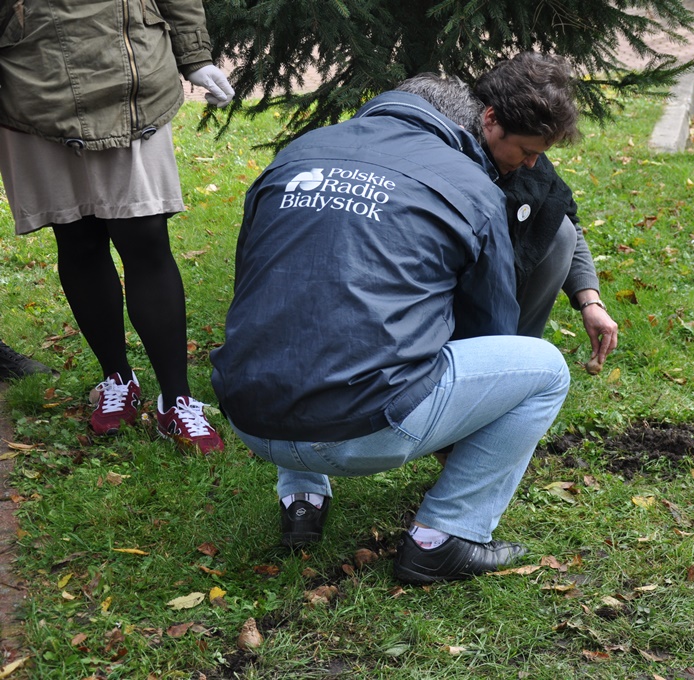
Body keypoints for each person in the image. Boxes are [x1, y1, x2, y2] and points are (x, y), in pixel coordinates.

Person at [210, 75, 571, 584]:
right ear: (469, 122)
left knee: (296, 310)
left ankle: (301, 499)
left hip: (250, 417)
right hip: (360, 432)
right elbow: (490, 330)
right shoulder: (471, 186)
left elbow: (255, 284)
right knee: (546, 369)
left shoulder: (297, 155)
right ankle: (445, 537)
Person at [0, 1, 232, 453]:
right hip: (34, 81)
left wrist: (195, 57)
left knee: (145, 238)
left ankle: (177, 401)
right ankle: (118, 379)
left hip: (132, 79)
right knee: (78, 239)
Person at [475, 52, 619, 369]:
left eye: (540, 153)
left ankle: (516, 356)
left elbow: (566, 221)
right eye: (527, 151)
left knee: (561, 230)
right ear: (491, 119)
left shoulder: (527, 164)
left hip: (504, 301)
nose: (532, 163)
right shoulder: (454, 164)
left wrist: (590, 301)